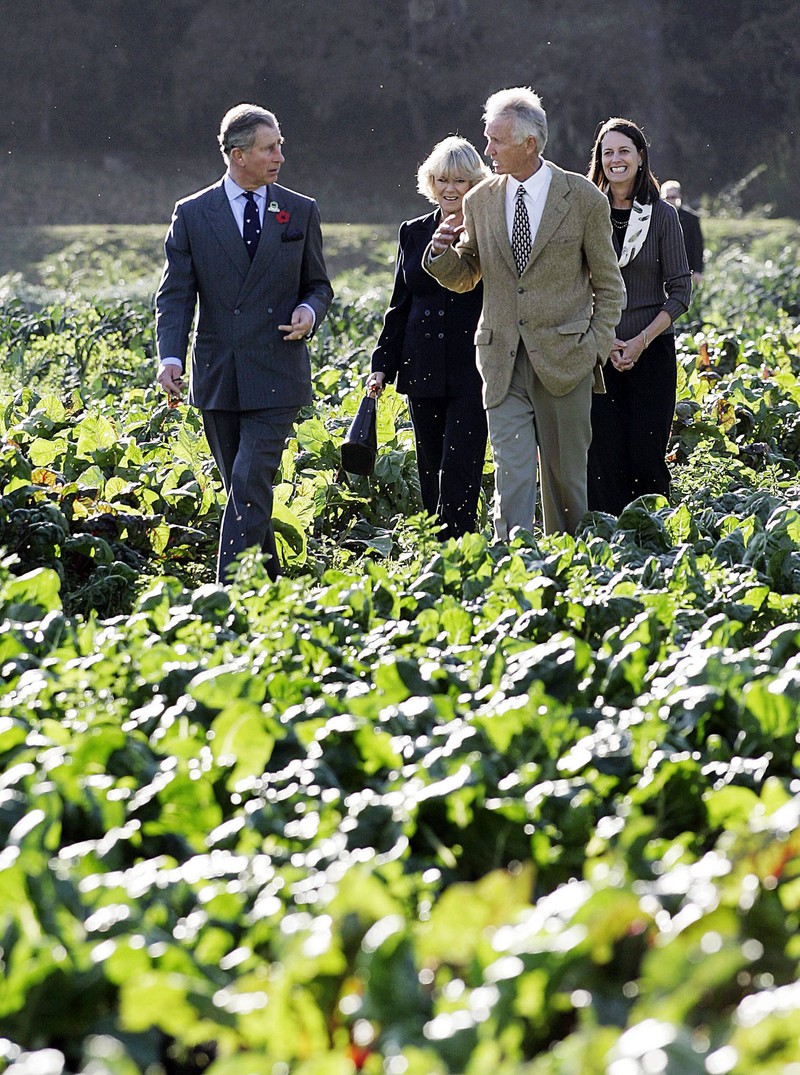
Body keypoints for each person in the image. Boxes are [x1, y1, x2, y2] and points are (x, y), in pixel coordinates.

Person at [424, 88, 624, 540]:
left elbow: (609, 286)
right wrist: (440, 255)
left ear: (529, 144)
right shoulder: (479, 200)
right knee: (510, 473)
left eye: (496, 141)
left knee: (565, 481)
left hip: (565, 358)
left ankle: (570, 571)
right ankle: (511, 567)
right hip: (501, 359)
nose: (487, 150)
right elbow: (467, 274)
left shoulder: (584, 198)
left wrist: (594, 346)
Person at [156, 103, 333, 584]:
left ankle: (230, 596)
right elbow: (175, 295)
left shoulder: (300, 210)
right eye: (269, 147)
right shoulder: (192, 215)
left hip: (278, 371)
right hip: (219, 376)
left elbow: (319, 285)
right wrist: (169, 357)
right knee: (244, 489)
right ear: (238, 154)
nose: (280, 156)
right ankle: (271, 585)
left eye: (280, 145)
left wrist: (309, 312)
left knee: (249, 480)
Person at [366, 136, 490, 539]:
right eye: (441, 180)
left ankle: (458, 543)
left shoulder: (488, 229)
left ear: (475, 183)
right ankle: (436, 548)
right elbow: (399, 303)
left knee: (461, 463)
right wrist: (381, 366)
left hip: (473, 368)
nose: (450, 189)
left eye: (459, 181)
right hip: (422, 366)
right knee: (429, 462)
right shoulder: (412, 231)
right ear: (430, 183)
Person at [586, 119, 692, 516]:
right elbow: (574, 286)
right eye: (608, 152)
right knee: (603, 458)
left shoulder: (662, 215)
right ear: (599, 160)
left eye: (624, 151)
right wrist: (606, 340)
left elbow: (681, 291)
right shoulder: (586, 213)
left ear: (640, 156)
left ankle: (655, 541)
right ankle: (609, 549)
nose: (616, 160)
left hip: (651, 353)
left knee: (646, 456)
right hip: (598, 354)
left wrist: (639, 341)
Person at [661, 179, 705, 283]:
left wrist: (698, 270)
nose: (671, 200)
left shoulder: (692, 219)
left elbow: (698, 245)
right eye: (668, 197)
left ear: (680, 196)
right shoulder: (657, 218)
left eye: (674, 197)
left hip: (686, 269)